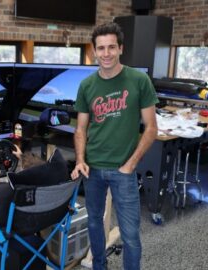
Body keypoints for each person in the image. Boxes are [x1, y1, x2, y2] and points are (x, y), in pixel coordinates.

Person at [71, 22, 158, 270]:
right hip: (93, 169)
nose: (106, 53)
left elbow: (151, 128)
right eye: (101, 48)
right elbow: (81, 129)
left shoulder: (139, 80)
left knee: (130, 235)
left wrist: (130, 165)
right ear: (94, 51)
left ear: (120, 48)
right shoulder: (87, 86)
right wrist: (80, 160)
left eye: (111, 47)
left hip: (124, 170)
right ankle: (99, 265)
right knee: (95, 224)